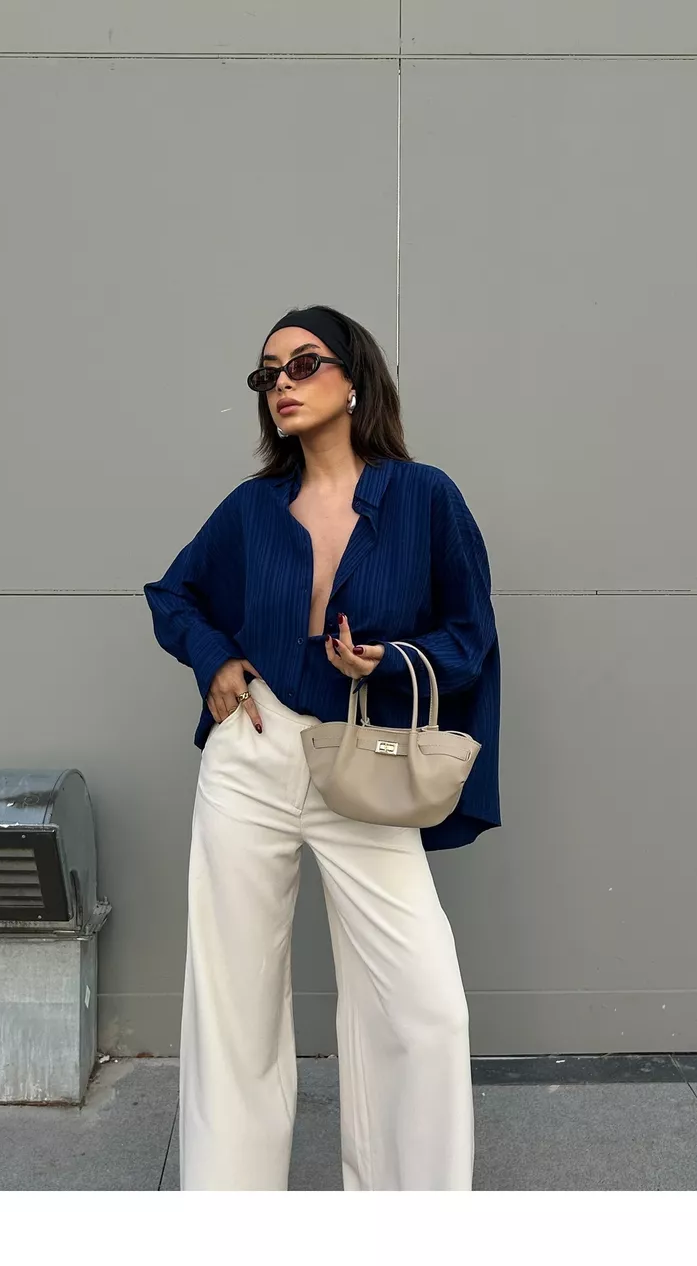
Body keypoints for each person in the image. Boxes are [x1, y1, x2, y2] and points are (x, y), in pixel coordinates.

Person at [143, 304, 501, 1191]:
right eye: (268, 374)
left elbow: (470, 634)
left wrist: (392, 661)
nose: (282, 386)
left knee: (422, 1006)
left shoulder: (424, 497)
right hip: (251, 756)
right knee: (233, 1000)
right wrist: (216, 658)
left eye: (303, 364)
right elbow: (172, 594)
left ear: (354, 380)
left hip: (361, 760)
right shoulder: (252, 509)